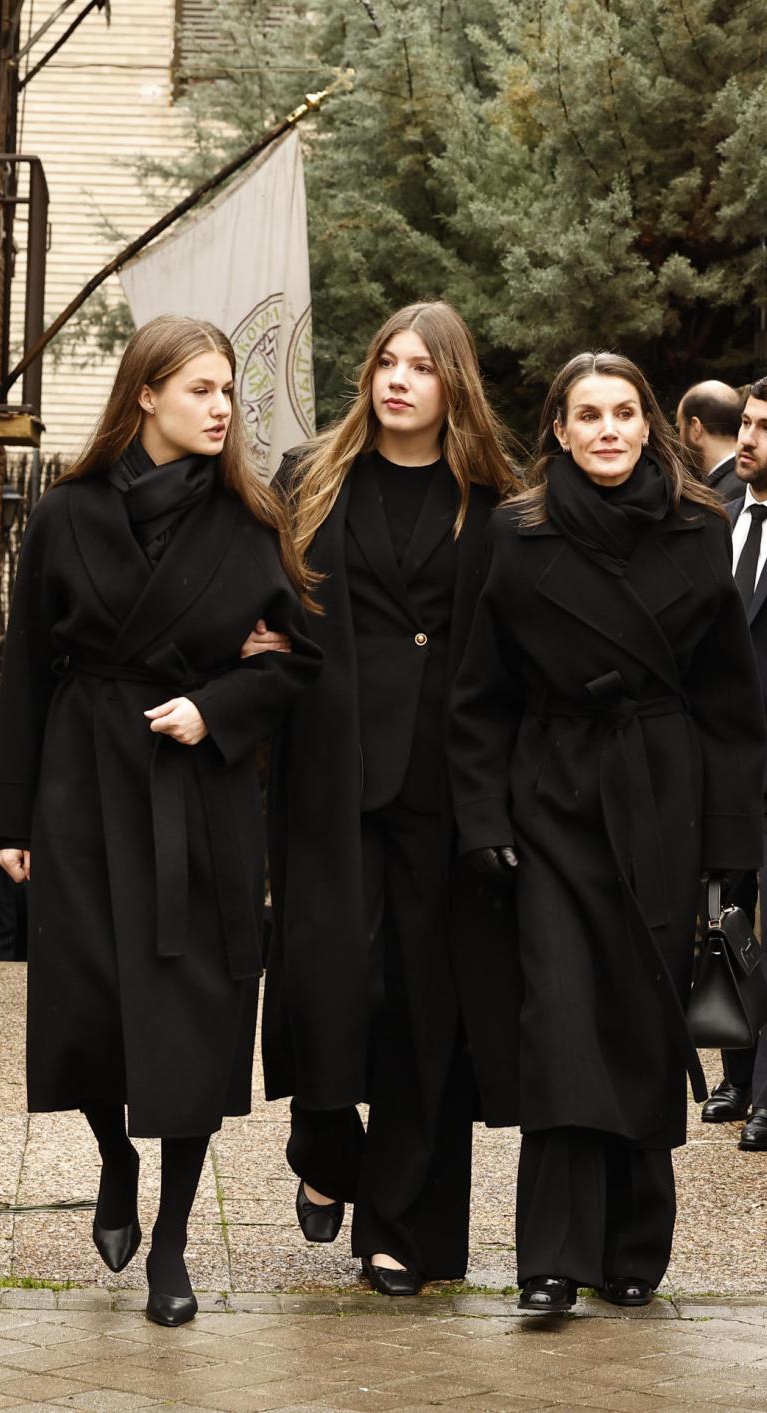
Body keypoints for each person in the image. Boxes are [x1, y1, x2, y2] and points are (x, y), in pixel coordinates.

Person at [0, 315, 320, 1326]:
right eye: (200, 389)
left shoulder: (250, 521)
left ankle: (172, 1237)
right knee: (85, 1003)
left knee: (193, 1018)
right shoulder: (67, 513)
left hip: (196, 793)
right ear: (146, 394)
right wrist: (10, 820)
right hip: (84, 780)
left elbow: (298, 665)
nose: (222, 408)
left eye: (227, 390)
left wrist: (216, 708)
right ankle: (113, 1156)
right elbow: (25, 669)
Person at [450, 351, 766, 1314]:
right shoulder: (517, 533)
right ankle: (550, 1255)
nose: (608, 431)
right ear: (558, 428)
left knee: (639, 1019)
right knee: (559, 1021)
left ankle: (634, 1242)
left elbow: (729, 700)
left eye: (624, 412)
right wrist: (484, 816)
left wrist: (730, 847)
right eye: (588, 415)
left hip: (661, 798)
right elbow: (478, 694)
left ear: (648, 424)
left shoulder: (700, 527)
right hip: (555, 798)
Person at [261, 301, 521, 1296]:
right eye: (386, 362)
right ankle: (325, 1144)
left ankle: (402, 1231)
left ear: (454, 385)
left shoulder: (494, 504)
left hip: (443, 781)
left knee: (425, 1004)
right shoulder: (309, 477)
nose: (398, 379)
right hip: (328, 766)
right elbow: (254, 584)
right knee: (327, 982)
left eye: (421, 366)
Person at [701, 372, 767, 1151]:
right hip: (711, 756)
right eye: (745, 422)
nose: (746, 438)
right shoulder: (713, 512)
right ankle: (736, 1074)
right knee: (721, 918)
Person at [677, 381, 743, 500]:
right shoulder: (753, 481)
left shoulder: (721, 498)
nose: (679, 440)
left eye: (680, 428)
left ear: (696, 428)